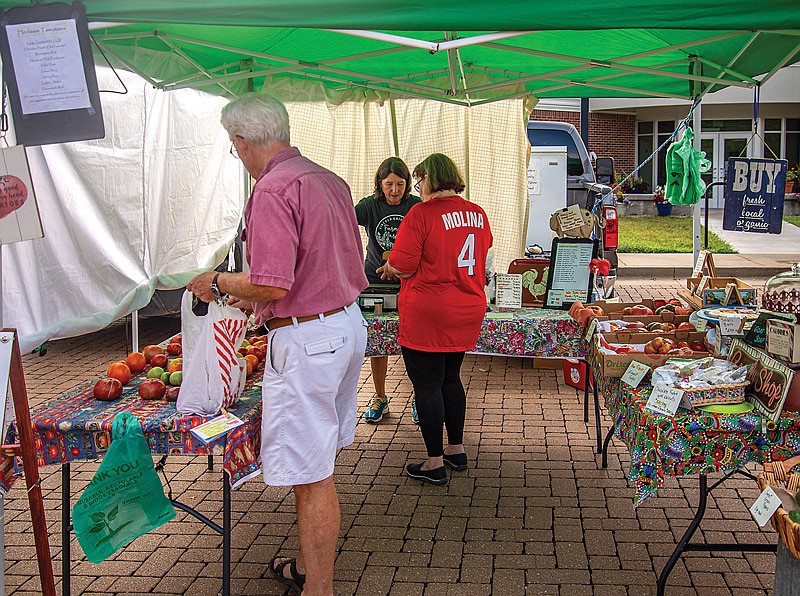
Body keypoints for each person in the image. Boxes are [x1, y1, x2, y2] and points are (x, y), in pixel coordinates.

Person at [187, 93, 368, 596]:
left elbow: (271, 283)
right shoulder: (329, 179)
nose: (236, 154)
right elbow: (329, 263)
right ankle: (312, 571)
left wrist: (219, 283)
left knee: (312, 474)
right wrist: (261, 301)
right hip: (345, 325)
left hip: (309, 338)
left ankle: (319, 588)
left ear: (243, 142)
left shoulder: (271, 189)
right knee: (320, 462)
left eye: (233, 145)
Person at [380, 153, 492, 486]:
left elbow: (402, 265)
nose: (417, 187)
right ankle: (456, 450)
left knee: (427, 385)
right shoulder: (477, 213)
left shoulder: (422, 213)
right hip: (467, 307)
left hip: (429, 311)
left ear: (430, 178)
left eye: (418, 181)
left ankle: (434, 462)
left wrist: (389, 269)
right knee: (451, 379)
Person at [355, 157, 421, 424]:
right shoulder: (370, 205)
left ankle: (419, 397)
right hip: (374, 282)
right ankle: (380, 397)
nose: (394, 190)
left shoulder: (416, 206)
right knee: (377, 341)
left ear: (407, 186)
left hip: (410, 284)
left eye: (400, 184)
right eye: (389, 184)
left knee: (414, 342)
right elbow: (343, 222)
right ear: (380, 185)